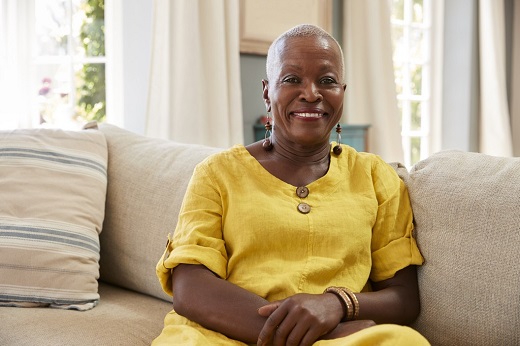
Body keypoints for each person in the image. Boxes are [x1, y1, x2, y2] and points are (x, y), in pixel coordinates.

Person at [153, 24, 429, 346]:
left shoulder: (375, 177)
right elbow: (191, 288)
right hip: (225, 334)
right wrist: (304, 337)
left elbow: (404, 298)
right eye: (292, 79)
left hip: (339, 336)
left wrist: (337, 304)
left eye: (326, 81)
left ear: (342, 92)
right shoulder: (217, 173)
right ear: (267, 92)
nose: (311, 93)